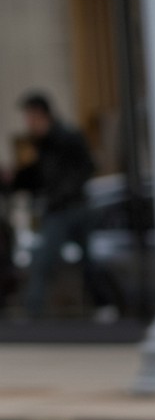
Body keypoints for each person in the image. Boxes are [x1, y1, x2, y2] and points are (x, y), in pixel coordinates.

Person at [0, 91, 119, 320]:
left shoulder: (66, 138)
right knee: (78, 259)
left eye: (30, 116)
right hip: (62, 207)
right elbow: (36, 177)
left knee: (53, 260)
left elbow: (84, 167)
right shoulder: (43, 145)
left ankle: (35, 310)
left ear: (40, 114)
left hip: (69, 208)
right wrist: (14, 181)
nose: (28, 122)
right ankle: (103, 304)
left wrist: (61, 194)